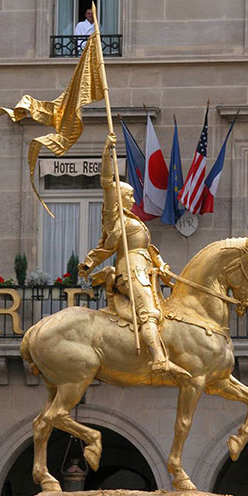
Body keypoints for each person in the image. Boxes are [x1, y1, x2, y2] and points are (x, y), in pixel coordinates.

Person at [78, 134, 190, 379]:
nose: (132, 199)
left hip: (146, 270)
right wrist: (107, 152)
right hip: (130, 270)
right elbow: (107, 183)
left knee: (163, 313)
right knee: (148, 312)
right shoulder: (114, 217)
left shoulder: (134, 221)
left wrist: (163, 267)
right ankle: (159, 360)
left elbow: (149, 247)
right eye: (129, 196)